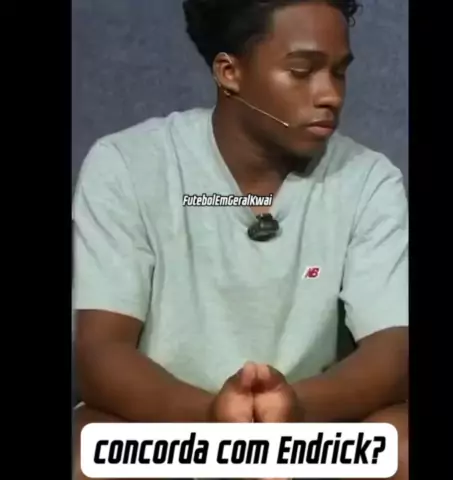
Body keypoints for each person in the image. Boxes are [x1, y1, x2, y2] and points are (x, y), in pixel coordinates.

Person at [72, 0, 409, 479]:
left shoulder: (369, 180)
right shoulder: (126, 166)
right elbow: (101, 352)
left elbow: (394, 351)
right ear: (229, 73)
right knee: (90, 451)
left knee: (401, 444)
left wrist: (294, 410)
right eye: (302, 72)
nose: (330, 95)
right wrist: (213, 421)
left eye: (339, 72)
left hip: (309, 438)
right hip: (170, 434)